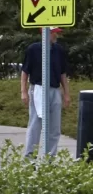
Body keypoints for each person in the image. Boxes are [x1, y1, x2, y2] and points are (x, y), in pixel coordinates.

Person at [22, 26, 70, 157]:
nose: (56, 36)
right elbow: (25, 72)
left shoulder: (58, 50)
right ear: (46, 33)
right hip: (38, 89)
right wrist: (24, 91)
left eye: (56, 33)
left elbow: (62, 73)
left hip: (54, 90)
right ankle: (29, 157)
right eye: (54, 33)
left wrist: (66, 93)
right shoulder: (33, 49)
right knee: (35, 125)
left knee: (54, 128)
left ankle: (50, 157)